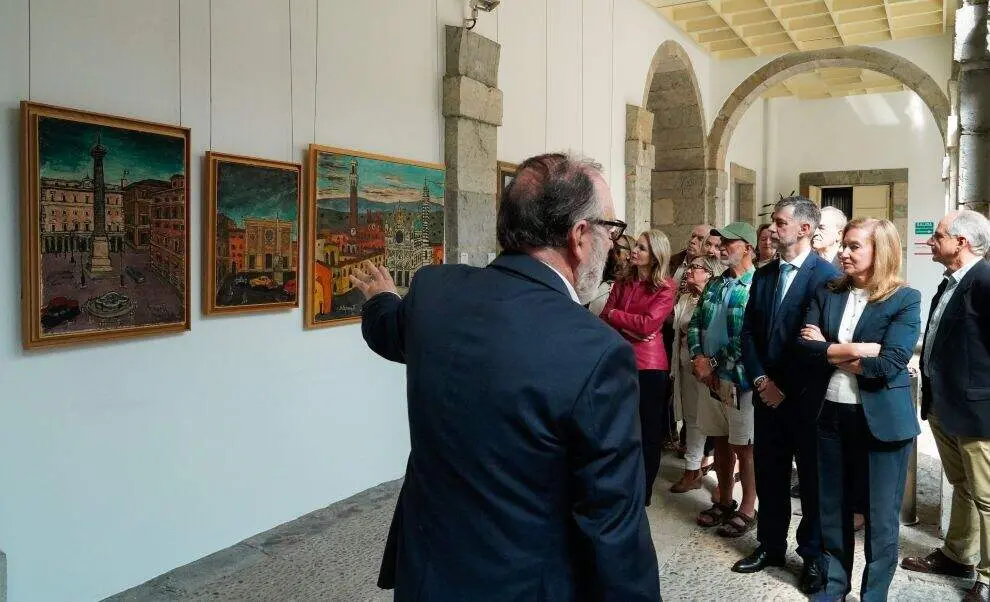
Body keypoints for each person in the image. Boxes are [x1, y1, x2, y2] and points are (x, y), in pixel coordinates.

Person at [349, 152, 661, 601]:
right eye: (611, 229)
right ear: (578, 236)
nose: (615, 244)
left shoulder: (434, 293)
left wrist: (381, 298)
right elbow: (612, 524)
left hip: (427, 574)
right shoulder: (597, 352)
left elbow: (387, 330)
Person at [798, 218, 921, 601]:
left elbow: (892, 362)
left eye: (854, 246)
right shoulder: (828, 291)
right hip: (830, 414)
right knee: (831, 508)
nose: (843, 253)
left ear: (879, 251)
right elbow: (804, 348)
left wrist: (830, 348)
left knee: (881, 518)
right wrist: (860, 349)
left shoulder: (905, 298)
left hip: (882, 422)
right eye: (844, 245)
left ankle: (874, 595)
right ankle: (834, 586)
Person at [737, 196, 840, 594]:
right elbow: (748, 334)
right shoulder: (763, 275)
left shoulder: (827, 277)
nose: (772, 229)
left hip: (807, 400)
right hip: (767, 397)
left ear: (804, 229)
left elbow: (818, 344)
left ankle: (813, 555)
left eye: (780, 223)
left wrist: (787, 391)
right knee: (770, 475)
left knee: (813, 483)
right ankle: (770, 546)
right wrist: (762, 382)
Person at [902, 210, 990, 602]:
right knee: (963, 487)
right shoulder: (951, 281)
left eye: (938, 236)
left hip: (976, 412)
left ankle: (987, 579)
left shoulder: (985, 281)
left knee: (987, 496)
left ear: (963, 242)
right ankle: (958, 555)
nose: (931, 241)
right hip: (946, 405)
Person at [687, 222, 758, 537]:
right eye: (721, 241)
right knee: (719, 439)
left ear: (748, 248)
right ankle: (725, 499)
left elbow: (748, 336)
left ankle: (747, 506)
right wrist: (698, 358)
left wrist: (712, 362)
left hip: (738, 379)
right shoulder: (715, 284)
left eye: (730, 242)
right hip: (710, 377)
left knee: (744, 446)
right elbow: (695, 321)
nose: (722, 246)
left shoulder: (756, 286)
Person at [602, 229, 677, 506]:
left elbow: (649, 325)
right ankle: (621, 484)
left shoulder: (665, 287)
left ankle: (643, 490)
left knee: (648, 431)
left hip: (649, 366)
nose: (635, 251)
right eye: (636, 246)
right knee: (620, 427)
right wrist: (629, 325)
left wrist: (618, 318)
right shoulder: (623, 281)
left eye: (642, 248)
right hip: (620, 360)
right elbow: (604, 317)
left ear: (655, 256)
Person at [670, 255, 723, 493]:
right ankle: (692, 470)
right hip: (684, 367)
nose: (689, 270)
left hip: (707, 369)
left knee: (705, 420)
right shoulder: (684, 298)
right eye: (690, 266)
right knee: (690, 418)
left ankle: (707, 475)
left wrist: (706, 363)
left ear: (710, 274)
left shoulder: (716, 300)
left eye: (696, 267)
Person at [587, 233, 634, 316]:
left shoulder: (629, 284)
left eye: (617, 247)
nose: (612, 249)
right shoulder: (602, 273)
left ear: (628, 254)